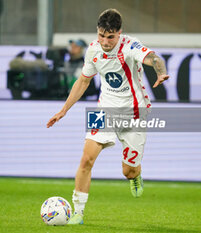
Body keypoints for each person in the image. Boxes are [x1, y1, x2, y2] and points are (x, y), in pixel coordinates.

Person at [46, 8, 169, 225]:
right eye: (101, 35)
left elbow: (153, 58)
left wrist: (160, 71)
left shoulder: (130, 46)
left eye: (110, 37)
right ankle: (78, 213)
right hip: (104, 110)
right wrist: (64, 110)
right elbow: (83, 81)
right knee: (86, 159)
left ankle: (136, 175)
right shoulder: (93, 50)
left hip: (134, 113)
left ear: (119, 33)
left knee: (128, 171)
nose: (105, 41)